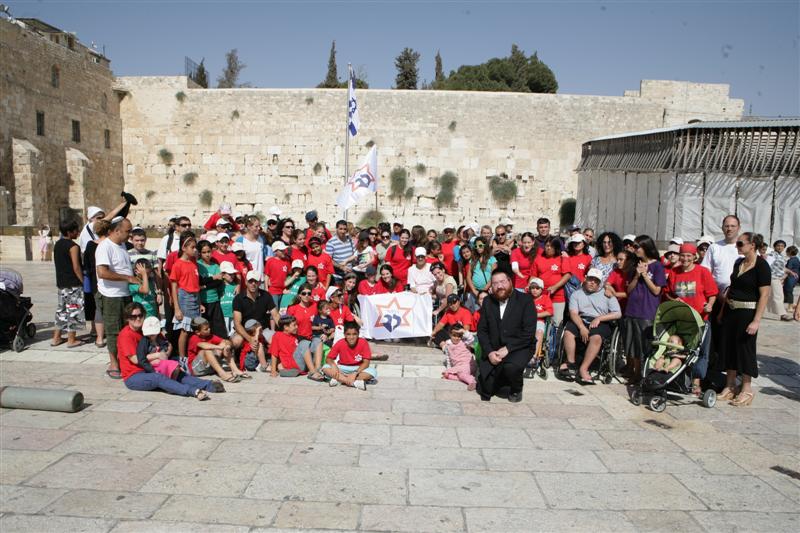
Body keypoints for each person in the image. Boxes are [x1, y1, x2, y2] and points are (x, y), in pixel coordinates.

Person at [117, 302, 223, 400]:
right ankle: (193, 391)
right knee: (159, 378)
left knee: (177, 372)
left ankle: (209, 385)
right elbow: (135, 359)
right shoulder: (126, 335)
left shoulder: (149, 328)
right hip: (134, 375)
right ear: (127, 319)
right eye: (133, 317)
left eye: (140, 315)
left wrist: (166, 355)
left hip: (154, 366)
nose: (138, 319)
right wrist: (158, 355)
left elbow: (168, 345)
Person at [718, 232, 771, 407]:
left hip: (748, 313)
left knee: (745, 350)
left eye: (740, 243)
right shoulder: (738, 263)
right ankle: (730, 385)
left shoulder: (761, 266)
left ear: (752, 245)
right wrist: (722, 312)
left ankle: (747, 388)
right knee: (729, 348)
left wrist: (756, 320)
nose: (737, 246)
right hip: (731, 312)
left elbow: (764, 295)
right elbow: (732, 287)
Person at [476, 269, 537, 402]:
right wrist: (490, 352)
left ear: (510, 281)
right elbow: (482, 331)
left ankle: (516, 388)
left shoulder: (525, 300)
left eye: (503, 282)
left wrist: (508, 349)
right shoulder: (487, 302)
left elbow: (528, 333)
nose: (499, 286)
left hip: (520, 346)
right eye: (495, 283)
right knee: (486, 389)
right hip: (495, 347)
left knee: (511, 367)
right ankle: (501, 380)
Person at [664, 243, 718, 395]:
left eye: (689, 255)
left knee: (701, 351)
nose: (685, 258)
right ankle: (674, 376)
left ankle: (696, 383)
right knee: (679, 348)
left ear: (695, 257)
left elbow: (712, 293)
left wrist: (710, 305)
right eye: (683, 255)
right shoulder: (674, 272)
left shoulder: (703, 272)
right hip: (681, 318)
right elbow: (667, 292)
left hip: (700, 318)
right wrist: (674, 299)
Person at [561, 268, 622, 384]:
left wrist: (599, 318)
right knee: (568, 332)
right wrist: (581, 327)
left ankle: (584, 368)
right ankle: (571, 363)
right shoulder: (577, 294)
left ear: (600, 283)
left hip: (601, 320)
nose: (592, 282)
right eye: (590, 279)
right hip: (582, 318)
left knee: (596, 337)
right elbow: (573, 313)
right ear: (585, 279)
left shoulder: (607, 294)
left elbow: (618, 313)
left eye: (596, 281)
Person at [95, 217, 138, 379]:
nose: (129, 234)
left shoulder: (121, 246)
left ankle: (124, 360)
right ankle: (114, 364)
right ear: (117, 230)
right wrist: (127, 278)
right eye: (127, 231)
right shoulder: (105, 247)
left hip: (125, 294)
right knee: (113, 331)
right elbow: (103, 272)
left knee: (127, 329)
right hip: (111, 295)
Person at [622, 235, 667, 382]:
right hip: (632, 309)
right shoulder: (634, 264)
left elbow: (656, 291)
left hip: (647, 311)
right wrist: (636, 275)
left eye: (637, 247)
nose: (634, 250)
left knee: (644, 344)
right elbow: (628, 290)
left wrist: (645, 275)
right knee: (632, 343)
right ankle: (634, 371)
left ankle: (643, 372)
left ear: (646, 247)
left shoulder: (658, 266)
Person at [701, 215, 742, 361]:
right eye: (727, 226)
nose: (729, 229)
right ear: (722, 227)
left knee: (735, 335)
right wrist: (717, 294)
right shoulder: (715, 247)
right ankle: (716, 365)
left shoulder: (745, 248)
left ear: (739, 227)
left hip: (739, 299)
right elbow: (706, 272)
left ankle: (733, 368)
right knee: (716, 334)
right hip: (717, 298)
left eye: (733, 226)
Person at [231, 271, 280, 370]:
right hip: (244, 330)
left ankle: (274, 360)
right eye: (250, 281)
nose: (253, 284)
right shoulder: (238, 298)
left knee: (277, 338)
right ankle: (232, 360)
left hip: (262, 329)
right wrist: (249, 338)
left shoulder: (266, 295)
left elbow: (275, 315)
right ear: (245, 282)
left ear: (259, 283)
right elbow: (237, 323)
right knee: (236, 341)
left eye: (256, 281)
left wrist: (284, 330)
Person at [52, 218, 85, 348]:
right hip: (73, 283)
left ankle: (56, 338)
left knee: (61, 310)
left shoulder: (58, 244)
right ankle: (71, 340)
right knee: (74, 310)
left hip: (61, 283)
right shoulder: (73, 246)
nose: (78, 233)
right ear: (70, 232)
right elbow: (76, 267)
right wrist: (82, 281)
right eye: (76, 230)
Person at [169, 232, 201, 359]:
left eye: (195, 247)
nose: (195, 250)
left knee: (195, 328)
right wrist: (177, 308)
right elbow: (174, 286)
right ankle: (182, 357)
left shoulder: (193, 262)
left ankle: (192, 354)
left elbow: (196, 284)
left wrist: (200, 302)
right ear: (184, 248)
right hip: (185, 297)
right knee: (185, 330)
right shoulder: (178, 264)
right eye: (192, 247)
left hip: (195, 296)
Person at [322, 321, 377, 390]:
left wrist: (354, 373)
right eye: (348, 334)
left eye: (354, 334)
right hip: (342, 368)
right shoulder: (340, 342)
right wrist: (334, 366)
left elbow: (366, 363)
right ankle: (355, 383)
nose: (351, 337)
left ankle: (339, 379)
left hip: (358, 368)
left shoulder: (363, 342)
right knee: (325, 367)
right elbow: (329, 358)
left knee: (373, 372)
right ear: (344, 334)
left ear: (358, 334)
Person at [187, 317, 244, 382]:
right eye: (206, 329)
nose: (209, 329)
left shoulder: (211, 336)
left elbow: (225, 341)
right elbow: (204, 346)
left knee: (224, 345)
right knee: (207, 351)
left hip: (210, 368)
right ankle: (222, 374)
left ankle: (235, 370)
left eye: (209, 327)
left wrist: (227, 346)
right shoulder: (193, 338)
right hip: (197, 369)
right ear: (197, 332)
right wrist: (219, 347)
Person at [531, 236, 570, 325]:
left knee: (555, 323)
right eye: (546, 245)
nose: (548, 248)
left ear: (556, 247)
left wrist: (555, 287)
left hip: (557, 297)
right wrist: (530, 285)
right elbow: (533, 275)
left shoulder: (562, 257)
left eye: (551, 246)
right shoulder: (538, 258)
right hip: (540, 296)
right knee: (539, 322)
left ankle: (553, 339)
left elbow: (567, 275)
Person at [196, 240, 226, 337]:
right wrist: (212, 278)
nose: (207, 254)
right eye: (204, 252)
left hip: (215, 300)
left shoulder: (216, 266)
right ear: (199, 253)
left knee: (218, 328)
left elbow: (219, 282)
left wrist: (204, 286)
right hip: (203, 302)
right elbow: (200, 281)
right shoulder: (197, 265)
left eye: (209, 251)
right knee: (204, 328)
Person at [441, 325, 477, 391]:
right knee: (446, 374)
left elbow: (472, 339)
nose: (457, 338)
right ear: (450, 334)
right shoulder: (447, 345)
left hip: (468, 365)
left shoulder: (464, 342)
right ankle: (468, 377)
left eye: (459, 336)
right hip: (458, 367)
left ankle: (472, 381)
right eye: (454, 335)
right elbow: (449, 358)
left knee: (461, 374)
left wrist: (463, 331)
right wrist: (450, 369)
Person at [236, 215, 272, 280]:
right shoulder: (241, 240)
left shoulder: (262, 239)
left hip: (261, 278)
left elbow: (263, 257)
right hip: (248, 279)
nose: (259, 228)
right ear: (249, 227)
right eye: (256, 226)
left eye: (259, 226)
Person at [528, 277, 553, 358]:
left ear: (541, 289)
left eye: (537, 288)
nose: (534, 290)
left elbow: (549, 311)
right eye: (532, 288)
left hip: (539, 320)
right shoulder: (527, 298)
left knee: (539, 331)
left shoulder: (545, 298)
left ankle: (534, 356)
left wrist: (536, 315)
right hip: (526, 321)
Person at [265, 241, 292, 309]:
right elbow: (267, 275)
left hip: (283, 292)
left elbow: (288, 275)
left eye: (284, 250)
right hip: (273, 291)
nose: (284, 251)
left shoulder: (287, 261)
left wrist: (286, 288)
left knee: (282, 311)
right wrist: (266, 288)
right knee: (274, 311)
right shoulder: (270, 261)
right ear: (275, 251)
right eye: (281, 250)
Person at [766, 240, 788, 319]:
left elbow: (781, 268)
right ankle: (783, 314)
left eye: (782, 246)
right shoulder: (772, 255)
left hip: (778, 278)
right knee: (778, 296)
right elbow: (767, 265)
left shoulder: (781, 256)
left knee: (769, 296)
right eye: (778, 245)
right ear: (774, 246)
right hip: (773, 277)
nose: (780, 247)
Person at [219, 261, 239, 337]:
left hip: (233, 314)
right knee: (225, 333)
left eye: (233, 274)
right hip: (223, 314)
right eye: (229, 274)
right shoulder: (219, 286)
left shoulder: (236, 286)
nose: (232, 276)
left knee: (233, 333)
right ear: (223, 275)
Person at [783, 246, 799, 319]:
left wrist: (783, 278)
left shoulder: (791, 260)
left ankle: (790, 306)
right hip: (796, 277)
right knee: (788, 290)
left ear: (789, 252)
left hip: (791, 277)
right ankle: (791, 304)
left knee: (788, 291)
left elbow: (788, 270)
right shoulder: (797, 259)